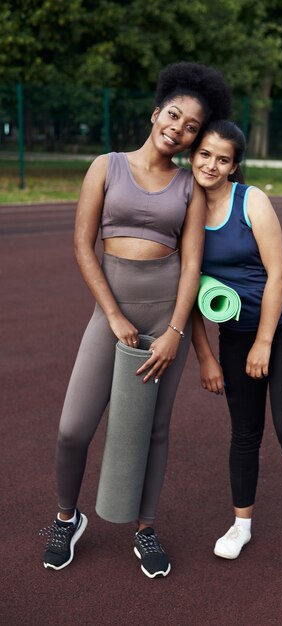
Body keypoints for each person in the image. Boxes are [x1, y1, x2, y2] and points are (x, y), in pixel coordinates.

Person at [39, 62, 231, 579]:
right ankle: (66, 516)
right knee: (73, 428)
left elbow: (192, 263)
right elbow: (83, 244)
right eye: (174, 115)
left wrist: (174, 334)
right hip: (112, 314)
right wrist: (113, 315)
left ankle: (145, 528)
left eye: (192, 126)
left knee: (153, 430)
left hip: (164, 316)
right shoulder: (107, 166)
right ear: (155, 113)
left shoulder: (190, 185)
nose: (180, 128)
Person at [190, 120, 282, 583]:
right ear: (194, 154)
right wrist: (206, 356)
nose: (211, 165)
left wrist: (265, 343)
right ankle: (241, 525)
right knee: (244, 433)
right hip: (233, 335)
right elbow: (184, 289)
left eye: (223, 159)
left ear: (235, 166)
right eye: (205, 154)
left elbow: (277, 274)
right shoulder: (184, 207)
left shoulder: (251, 201)